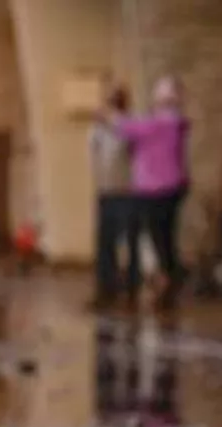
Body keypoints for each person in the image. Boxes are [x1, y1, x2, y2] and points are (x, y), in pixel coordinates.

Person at [114, 75, 190, 310]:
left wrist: (112, 113)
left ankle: (165, 277)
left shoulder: (161, 124)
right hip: (171, 186)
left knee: (156, 234)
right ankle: (166, 275)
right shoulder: (174, 124)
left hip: (154, 189)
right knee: (165, 234)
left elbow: (126, 127)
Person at [89, 85, 139, 310]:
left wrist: (110, 122)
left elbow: (129, 144)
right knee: (105, 241)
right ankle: (105, 285)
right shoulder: (98, 129)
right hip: (106, 190)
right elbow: (93, 153)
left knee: (128, 241)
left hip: (127, 191)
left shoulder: (129, 125)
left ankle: (131, 285)